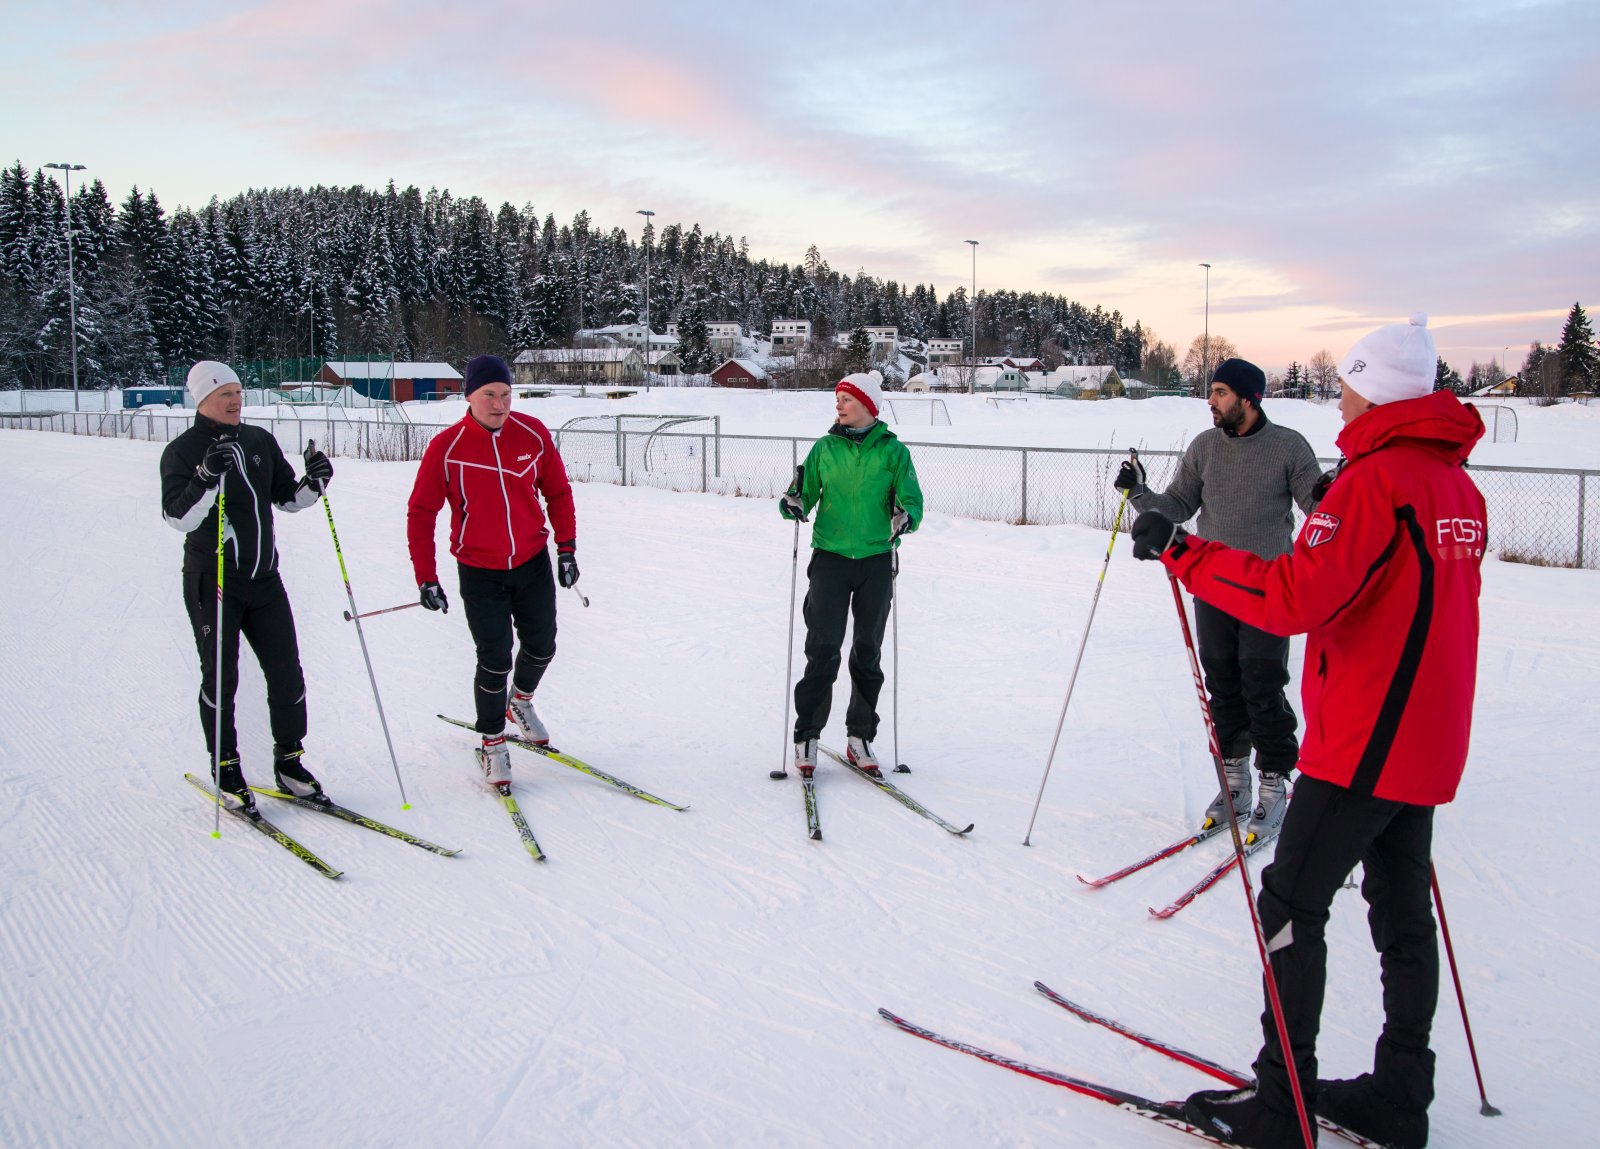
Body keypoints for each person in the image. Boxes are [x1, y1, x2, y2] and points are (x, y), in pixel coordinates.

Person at [1129, 315, 1487, 1149]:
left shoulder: (1374, 481)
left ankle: (1282, 1101)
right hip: (1425, 740)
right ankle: (1402, 1095)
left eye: (1350, 380)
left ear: (1380, 389)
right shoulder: (1453, 485)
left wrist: (1183, 552)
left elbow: (1297, 596)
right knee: (1402, 914)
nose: (1340, 394)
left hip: (1366, 739)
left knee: (1289, 903)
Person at [1115, 358, 1322, 842]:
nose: (1212, 400)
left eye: (1222, 392)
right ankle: (1234, 785)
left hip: (1270, 587)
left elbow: (1319, 506)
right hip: (1213, 585)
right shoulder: (1205, 447)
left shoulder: (1288, 446)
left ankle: (1275, 784)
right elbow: (1179, 506)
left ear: (1250, 398)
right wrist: (1139, 493)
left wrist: (1340, 493)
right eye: (1213, 392)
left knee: (1262, 683)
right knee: (1223, 684)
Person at [160, 360, 334, 809]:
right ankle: (226, 768)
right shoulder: (182, 452)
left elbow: (287, 498)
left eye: (238, 392)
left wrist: (314, 483)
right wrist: (204, 477)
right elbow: (178, 517)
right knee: (221, 678)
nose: (236, 400)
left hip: (264, 579)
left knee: (287, 674)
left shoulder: (258, 440)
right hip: (214, 581)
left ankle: (290, 761)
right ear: (202, 401)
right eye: (225, 394)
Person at [406, 354, 576, 785]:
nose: (499, 404)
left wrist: (566, 548)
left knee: (542, 644)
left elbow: (557, 491)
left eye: (505, 394)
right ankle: (492, 742)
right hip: (479, 568)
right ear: (469, 397)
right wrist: (426, 576)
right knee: (495, 657)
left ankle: (520, 701)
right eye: (489, 395)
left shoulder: (532, 433)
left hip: (531, 560)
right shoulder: (447, 448)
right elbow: (421, 513)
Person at [782, 372, 923, 778]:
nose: (839, 406)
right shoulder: (825, 448)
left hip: (877, 560)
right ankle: (807, 734)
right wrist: (793, 501)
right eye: (837, 400)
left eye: (846, 399)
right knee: (822, 649)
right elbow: (804, 491)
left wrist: (906, 516)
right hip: (829, 559)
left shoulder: (894, 453)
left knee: (867, 651)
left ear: (868, 406)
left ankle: (859, 736)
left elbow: (911, 499)